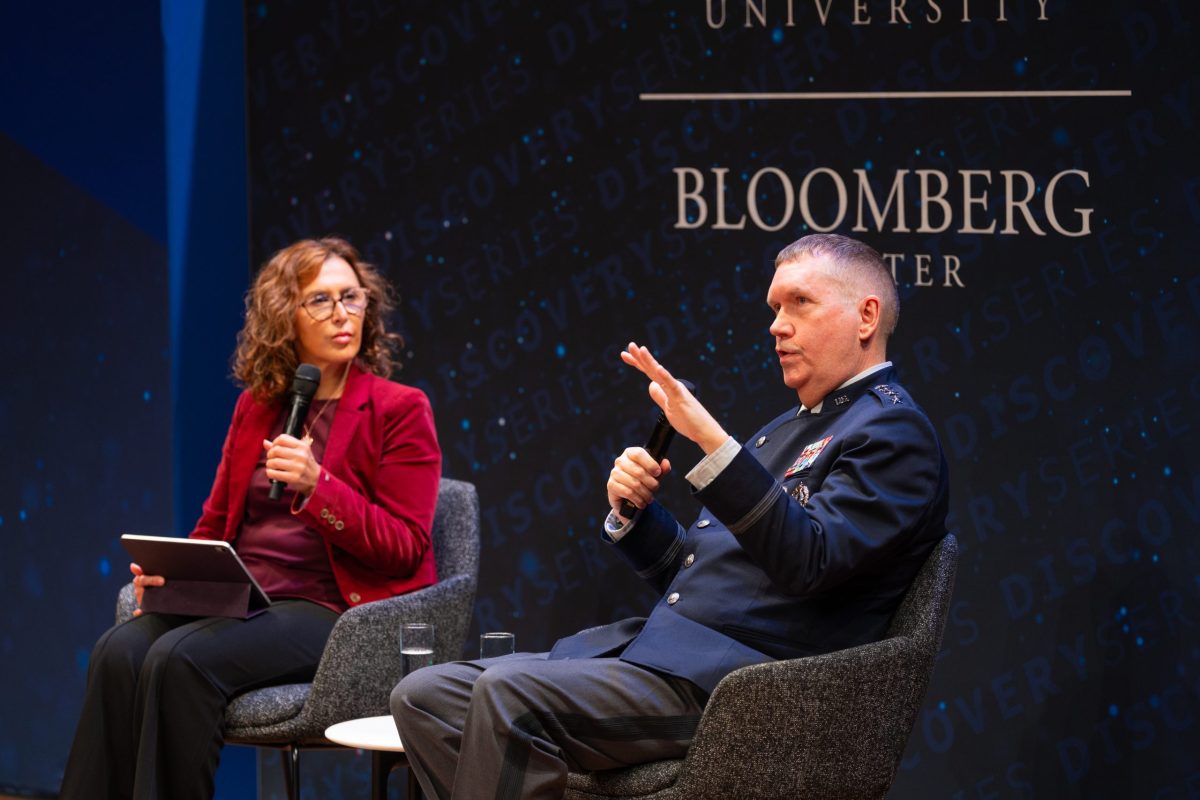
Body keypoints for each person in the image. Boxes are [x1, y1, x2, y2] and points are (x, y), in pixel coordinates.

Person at [391, 232, 950, 799]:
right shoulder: (789, 426)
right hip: (667, 662)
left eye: (799, 303)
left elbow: (810, 562)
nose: (777, 325)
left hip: (746, 692)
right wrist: (637, 519)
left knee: (508, 697)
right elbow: (705, 580)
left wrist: (709, 438)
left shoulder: (892, 433)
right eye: (775, 308)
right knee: (424, 697)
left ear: (866, 316)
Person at [60, 237, 442, 800]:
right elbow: (216, 523)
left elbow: (405, 545)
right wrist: (176, 574)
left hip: (330, 610)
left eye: (353, 298)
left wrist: (320, 487)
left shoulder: (399, 409)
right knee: (118, 651)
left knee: (179, 660)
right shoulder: (258, 406)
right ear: (285, 317)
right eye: (321, 301)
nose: (343, 315)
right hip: (245, 600)